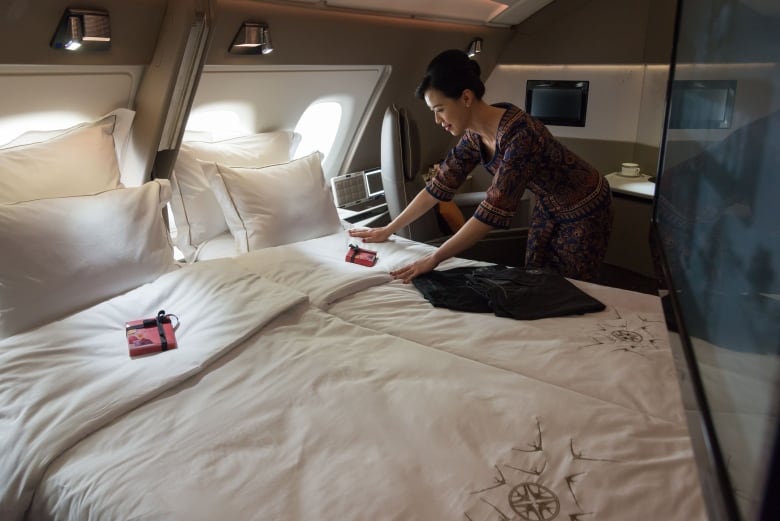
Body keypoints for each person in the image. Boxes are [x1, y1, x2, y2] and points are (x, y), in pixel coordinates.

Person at [349, 49, 613, 283]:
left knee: (572, 286)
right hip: (548, 204)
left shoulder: (521, 136)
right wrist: (388, 229)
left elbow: (490, 213)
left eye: (439, 109)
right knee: (536, 276)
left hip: (585, 206)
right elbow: (437, 188)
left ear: (465, 98)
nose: (437, 120)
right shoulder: (475, 136)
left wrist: (434, 258)